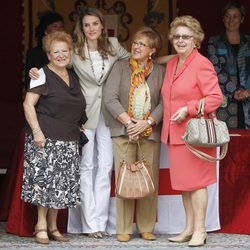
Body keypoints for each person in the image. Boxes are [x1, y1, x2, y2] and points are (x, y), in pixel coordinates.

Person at [67, 7, 130, 238]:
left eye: (95, 24)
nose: (91, 28)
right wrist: (36, 72)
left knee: (105, 167)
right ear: (81, 28)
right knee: (86, 167)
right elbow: (56, 68)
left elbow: (136, 61)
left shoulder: (112, 45)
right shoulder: (74, 51)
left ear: (102, 25)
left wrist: (168, 59)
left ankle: (101, 223)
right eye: (86, 25)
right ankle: (89, 224)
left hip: (110, 114)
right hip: (84, 116)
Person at [161, 16, 223, 247]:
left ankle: (200, 230)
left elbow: (216, 98)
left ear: (196, 39)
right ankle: (188, 228)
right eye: (176, 36)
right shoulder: (172, 63)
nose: (180, 40)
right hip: (175, 134)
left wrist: (188, 109)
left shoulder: (202, 63)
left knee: (197, 183)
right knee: (185, 184)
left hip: (195, 134)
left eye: (186, 36)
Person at [22, 31, 87, 244]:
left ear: (70, 53)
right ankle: (40, 225)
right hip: (46, 138)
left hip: (68, 140)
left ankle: (53, 226)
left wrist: (80, 123)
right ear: (49, 55)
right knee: (45, 185)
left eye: (64, 51)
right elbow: (28, 104)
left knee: (60, 186)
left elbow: (73, 105)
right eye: (55, 51)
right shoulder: (40, 74)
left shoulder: (73, 76)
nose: (61, 55)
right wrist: (37, 132)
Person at [104, 26, 165, 242]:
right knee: (125, 179)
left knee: (149, 180)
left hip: (149, 132)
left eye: (142, 44)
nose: (136, 46)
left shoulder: (159, 71)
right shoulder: (120, 67)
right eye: (135, 42)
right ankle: (124, 228)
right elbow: (109, 98)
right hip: (123, 132)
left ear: (153, 50)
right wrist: (130, 123)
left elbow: (165, 102)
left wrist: (147, 122)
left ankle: (147, 226)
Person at [207, 0, 250, 129]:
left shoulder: (249, 42)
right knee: (227, 140)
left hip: (248, 97)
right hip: (225, 99)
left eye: (236, 16)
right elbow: (215, 70)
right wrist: (234, 92)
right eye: (227, 16)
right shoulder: (214, 41)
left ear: (242, 19)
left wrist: (247, 91)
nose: (231, 20)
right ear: (223, 18)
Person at [24, 12, 64, 90]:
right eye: (55, 26)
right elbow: (29, 82)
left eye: (61, 27)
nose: (59, 30)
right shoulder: (34, 53)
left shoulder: (69, 51)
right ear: (45, 31)